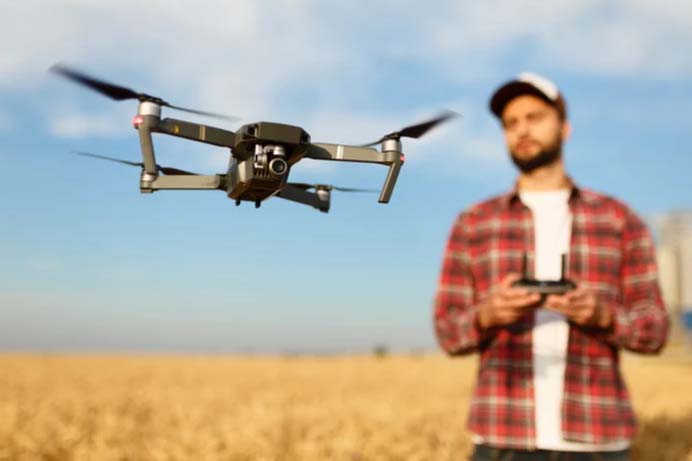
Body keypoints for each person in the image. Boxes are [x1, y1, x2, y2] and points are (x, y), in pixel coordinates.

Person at [433, 72, 669, 461]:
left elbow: (656, 329)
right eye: (511, 123)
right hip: (501, 440)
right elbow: (447, 330)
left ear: (565, 127)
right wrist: (488, 313)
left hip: (598, 441)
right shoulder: (473, 222)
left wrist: (605, 316)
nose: (522, 129)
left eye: (535, 117)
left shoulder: (619, 219)